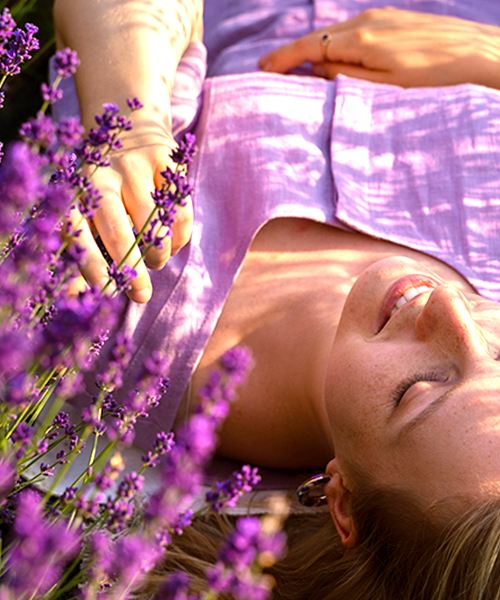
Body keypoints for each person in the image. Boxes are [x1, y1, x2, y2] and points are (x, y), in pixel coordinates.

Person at [52, 0, 500, 597]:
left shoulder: (129, 310)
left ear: (343, 502)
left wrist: (131, 124)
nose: (449, 308)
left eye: (419, 390)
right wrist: (486, 52)